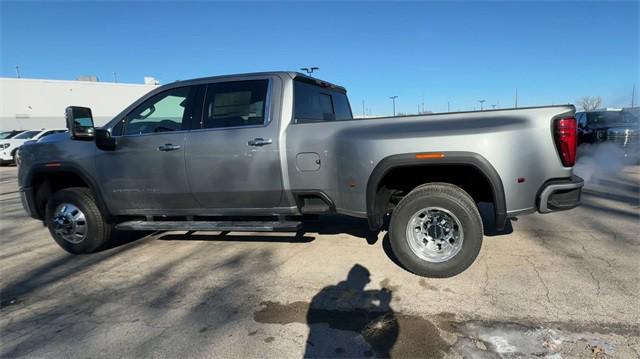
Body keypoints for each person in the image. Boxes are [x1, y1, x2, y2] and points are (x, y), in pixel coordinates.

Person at [304, 264, 398, 358]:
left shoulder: (330, 291)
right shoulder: (335, 294)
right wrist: (384, 304)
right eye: (366, 279)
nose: (368, 281)